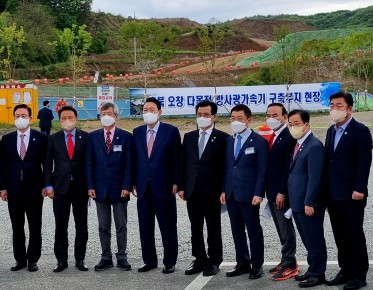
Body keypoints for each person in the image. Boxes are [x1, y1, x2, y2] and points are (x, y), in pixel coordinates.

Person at [324, 92, 372, 290]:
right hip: (333, 193)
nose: (334, 109)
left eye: (339, 105)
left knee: (354, 234)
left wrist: (359, 187)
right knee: (339, 235)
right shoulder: (330, 130)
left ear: (349, 109)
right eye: (332, 105)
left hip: (352, 194)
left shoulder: (359, 130)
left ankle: (359, 275)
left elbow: (364, 162)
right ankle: (345, 270)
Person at [179, 100, 229, 277]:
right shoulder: (190, 136)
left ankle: (215, 260)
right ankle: (199, 258)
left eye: (206, 115)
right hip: (192, 190)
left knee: (213, 227)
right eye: (199, 114)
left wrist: (224, 189)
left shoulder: (223, 138)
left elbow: (226, 166)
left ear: (214, 116)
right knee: (195, 227)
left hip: (213, 191)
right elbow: (184, 163)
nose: (202, 117)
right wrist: (181, 186)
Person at [132, 97, 180, 274]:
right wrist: (132, 183)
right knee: (145, 226)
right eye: (145, 110)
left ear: (159, 112)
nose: (148, 113)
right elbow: (134, 159)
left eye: (152, 110)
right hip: (143, 186)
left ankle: (170, 261)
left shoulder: (171, 131)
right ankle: (149, 260)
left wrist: (176, 181)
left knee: (167, 226)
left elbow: (177, 159)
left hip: (164, 186)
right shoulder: (137, 132)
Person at [220, 104, 268, 280]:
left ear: (249, 120)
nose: (235, 122)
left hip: (249, 195)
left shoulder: (259, 141)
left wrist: (258, 193)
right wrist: (224, 190)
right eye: (232, 118)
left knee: (253, 229)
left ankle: (257, 265)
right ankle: (242, 262)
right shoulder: (230, 141)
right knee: (236, 229)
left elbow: (262, 170)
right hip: (232, 193)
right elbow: (228, 167)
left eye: (239, 118)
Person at [0, 104, 47, 272]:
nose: (20, 118)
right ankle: (20, 259)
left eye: (23, 115)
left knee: (35, 225)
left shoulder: (41, 138)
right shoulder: (7, 139)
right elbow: (2, 165)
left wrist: (46, 184)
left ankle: (33, 259)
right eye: (17, 115)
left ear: (30, 118)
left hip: (34, 188)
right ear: (14, 118)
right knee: (17, 226)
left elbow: (46, 164)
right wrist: (2, 188)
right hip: (13, 189)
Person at [86, 102, 132, 272]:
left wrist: (127, 185)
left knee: (121, 225)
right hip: (99, 189)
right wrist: (90, 186)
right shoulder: (93, 137)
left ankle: (122, 257)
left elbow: (129, 164)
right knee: (103, 226)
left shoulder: (126, 137)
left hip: (120, 189)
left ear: (116, 116)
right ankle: (106, 257)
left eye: (109, 113)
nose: (106, 116)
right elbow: (89, 164)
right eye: (103, 113)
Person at [44, 106, 89, 272]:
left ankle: (80, 259)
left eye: (70, 117)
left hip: (80, 187)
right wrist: (48, 185)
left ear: (76, 119)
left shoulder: (85, 137)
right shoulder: (53, 139)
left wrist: (90, 186)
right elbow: (48, 164)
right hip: (60, 188)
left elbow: (89, 163)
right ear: (59, 119)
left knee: (81, 224)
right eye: (64, 118)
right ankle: (61, 260)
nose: (67, 120)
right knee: (61, 225)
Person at [287, 109, 327, 288]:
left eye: (297, 123)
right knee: (307, 238)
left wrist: (310, 201)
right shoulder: (298, 144)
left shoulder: (314, 145)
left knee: (314, 238)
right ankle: (312, 269)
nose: (293, 127)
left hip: (307, 203)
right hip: (297, 202)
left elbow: (315, 177)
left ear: (307, 125)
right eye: (291, 124)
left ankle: (318, 273)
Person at [265, 103, 298, 281]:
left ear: (284, 117)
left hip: (280, 192)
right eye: (268, 114)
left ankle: (290, 263)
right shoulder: (274, 135)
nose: (271, 118)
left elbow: (287, 168)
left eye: (275, 115)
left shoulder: (288, 136)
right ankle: (285, 259)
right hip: (271, 191)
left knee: (286, 229)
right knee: (280, 228)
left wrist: (282, 191)